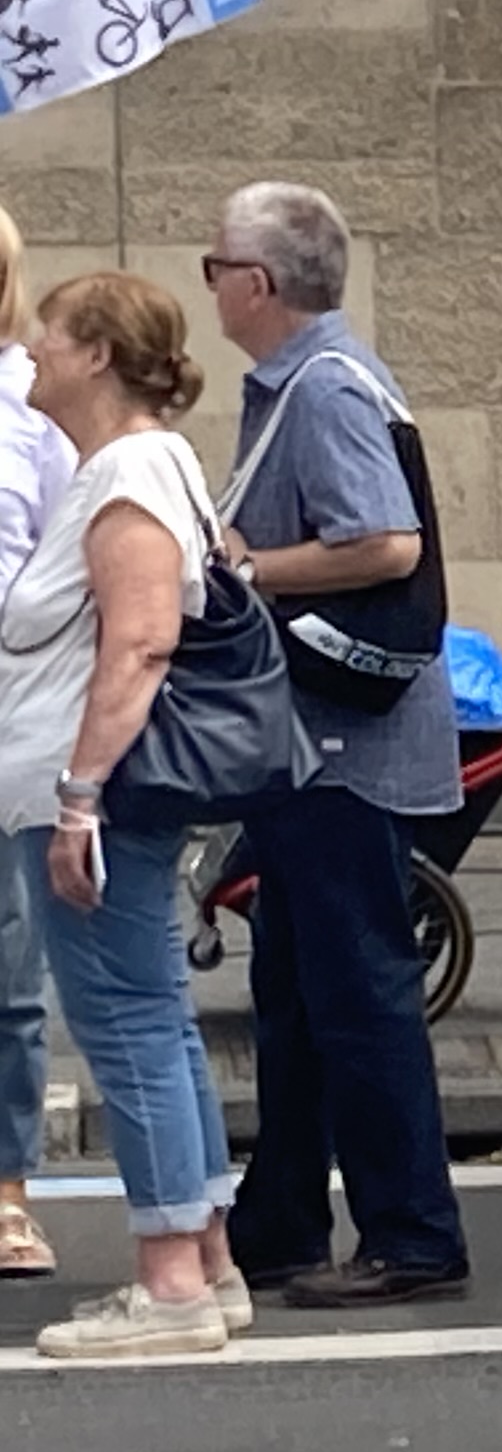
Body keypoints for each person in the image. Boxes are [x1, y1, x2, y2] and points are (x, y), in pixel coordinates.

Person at [207, 183, 470, 1310]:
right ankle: (280, 1222)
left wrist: (248, 569)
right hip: (313, 738)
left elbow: (384, 542)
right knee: (300, 987)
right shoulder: (313, 382)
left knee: (357, 987)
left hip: (338, 741)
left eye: (214, 263)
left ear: (257, 285)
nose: (208, 281)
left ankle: (412, 1231)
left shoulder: (321, 392)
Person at [0, 273, 247, 1357]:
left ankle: (169, 1288)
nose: (33, 354)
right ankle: (207, 1259)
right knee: (152, 1018)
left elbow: (140, 641)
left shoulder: (131, 473)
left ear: (96, 354)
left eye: (49, 336)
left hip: (99, 793)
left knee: (128, 1026)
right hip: (98, 790)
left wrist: (77, 798)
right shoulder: (132, 467)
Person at [0, 207, 85, 1287]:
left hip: (6, 708)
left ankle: (7, 1191)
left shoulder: (34, 412)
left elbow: (70, 562)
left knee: (7, 971)